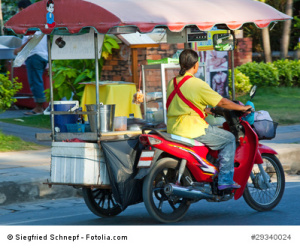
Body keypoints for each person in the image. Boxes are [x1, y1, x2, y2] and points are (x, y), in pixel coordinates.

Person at [166, 49, 251, 190]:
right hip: (192, 129)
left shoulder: (172, 82)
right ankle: (225, 180)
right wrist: (241, 108)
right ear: (195, 65)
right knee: (229, 138)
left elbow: (182, 104)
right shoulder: (197, 84)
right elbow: (222, 102)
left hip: (173, 128)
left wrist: (205, 111)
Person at [14, 0, 48, 115]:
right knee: (39, 81)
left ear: (22, 9)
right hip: (43, 55)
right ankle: (41, 106)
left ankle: (39, 108)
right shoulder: (39, 18)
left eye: (19, 10)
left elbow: (32, 38)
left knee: (35, 82)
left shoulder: (31, 20)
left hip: (35, 55)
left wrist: (20, 49)